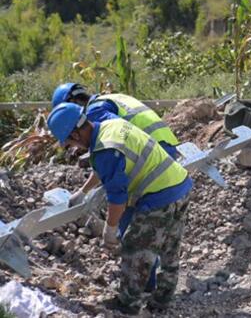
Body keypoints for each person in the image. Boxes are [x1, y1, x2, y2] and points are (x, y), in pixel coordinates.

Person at [47, 102, 192, 315]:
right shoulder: (109, 126)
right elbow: (106, 166)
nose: (73, 147)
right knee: (169, 247)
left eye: (69, 143)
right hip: (180, 184)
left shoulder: (105, 149)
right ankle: (162, 300)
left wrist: (110, 230)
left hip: (159, 197)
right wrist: (83, 191)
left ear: (76, 135)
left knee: (135, 250)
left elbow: (117, 197)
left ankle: (128, 305)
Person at [51, 83, 182, 206]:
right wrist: (84, 191)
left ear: (73, 103)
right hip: (167, 145)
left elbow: (114, 147)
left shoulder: (95, 111)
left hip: (152, 155)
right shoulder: (108, 98)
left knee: (125, 202)